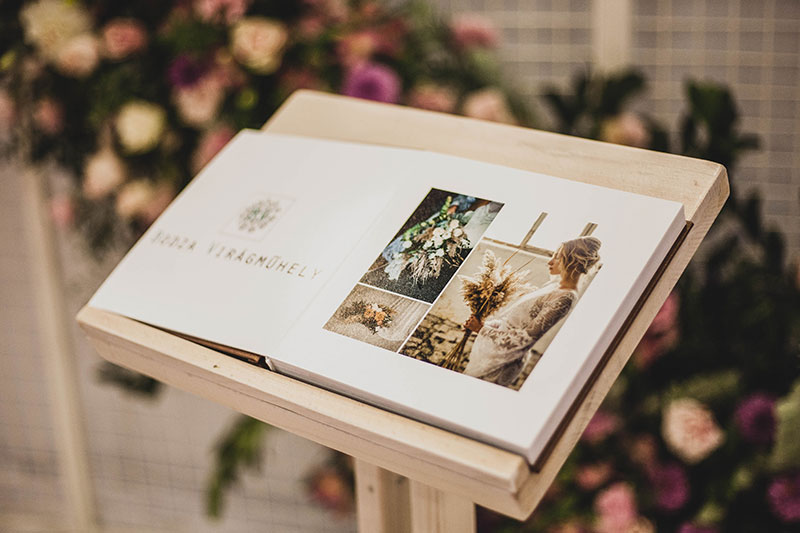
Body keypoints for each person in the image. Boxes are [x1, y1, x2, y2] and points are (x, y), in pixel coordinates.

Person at [462, 236, 602, 387]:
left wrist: (482, 329)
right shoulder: (553, 287)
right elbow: (512, 321)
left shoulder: (565, 297)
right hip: (493, 350)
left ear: (571, 262)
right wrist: (484, 324)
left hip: (504, 361)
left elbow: (526, 338)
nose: (550, 262)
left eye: (557, 257)